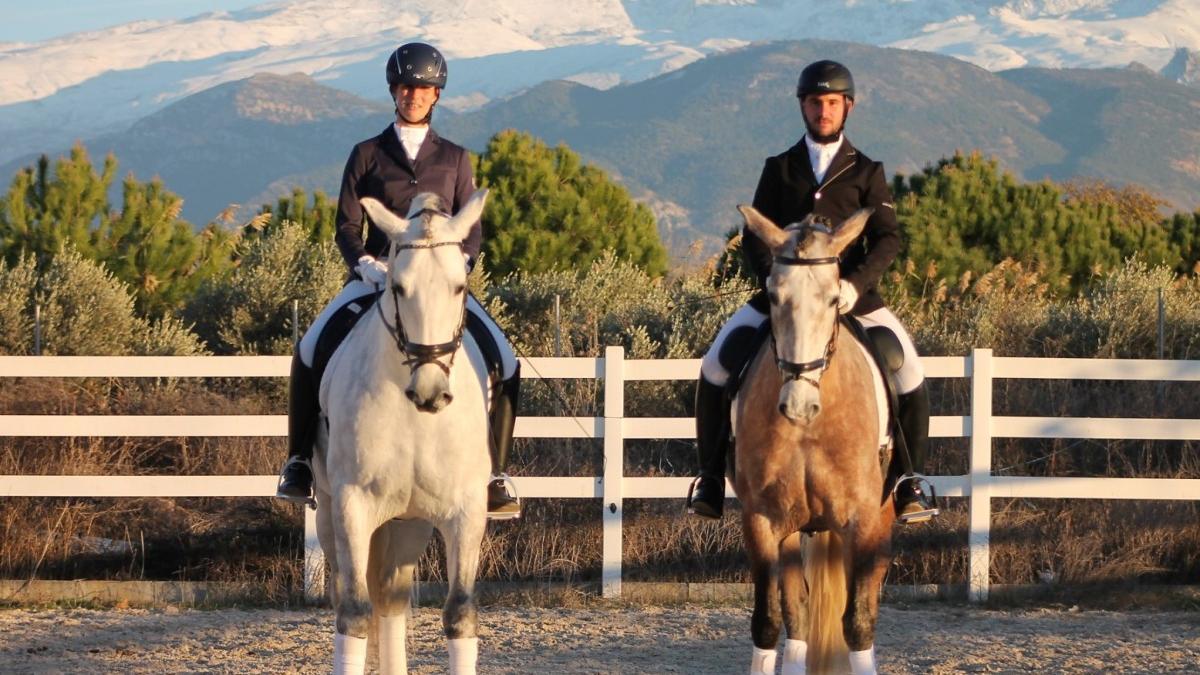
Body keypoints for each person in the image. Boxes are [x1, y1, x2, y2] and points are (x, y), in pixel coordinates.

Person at [275, 42, 522, 520]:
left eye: (424, 88)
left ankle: (496, 473)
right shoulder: (367, 153)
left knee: (505, 359)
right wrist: (365, 264)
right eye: (407, 86)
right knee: (309, 350)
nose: (414, 94)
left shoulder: (455, 158)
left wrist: (459, 269)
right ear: (394, 91)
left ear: (436, 95)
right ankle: (300, 461)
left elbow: (471, 231)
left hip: (438, 287)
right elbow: (346, 225)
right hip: (376, 280)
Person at [685, 59, 938, 524]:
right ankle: (710, 478)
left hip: (850, 299)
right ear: (802, 106)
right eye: (816, 102)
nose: (824, 111)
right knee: (716, 366)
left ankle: (909, 481)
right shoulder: (779, 168)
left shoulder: (867, 171)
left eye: (832, 103)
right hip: (782, 299)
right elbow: (755, 233)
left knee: (910, 373)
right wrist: (772, 279)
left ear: (848, 107)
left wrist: (854, 284)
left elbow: (888, 238)